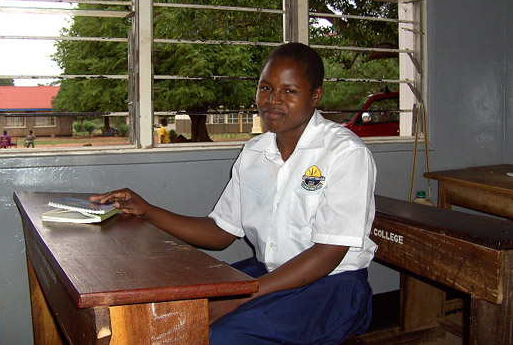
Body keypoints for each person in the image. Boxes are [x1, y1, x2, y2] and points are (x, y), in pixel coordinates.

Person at [91, 43, 376, 344]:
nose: (273, 100)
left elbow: (327, 255)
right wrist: (147, 210)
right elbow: (221, 231)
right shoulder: (255, 152)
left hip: (332, 287)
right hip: (270, 273)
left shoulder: (345, 153)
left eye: (289, 91)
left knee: (218, 335)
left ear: (315, 96)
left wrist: (242, 297)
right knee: (175, 308)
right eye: (266, 88)